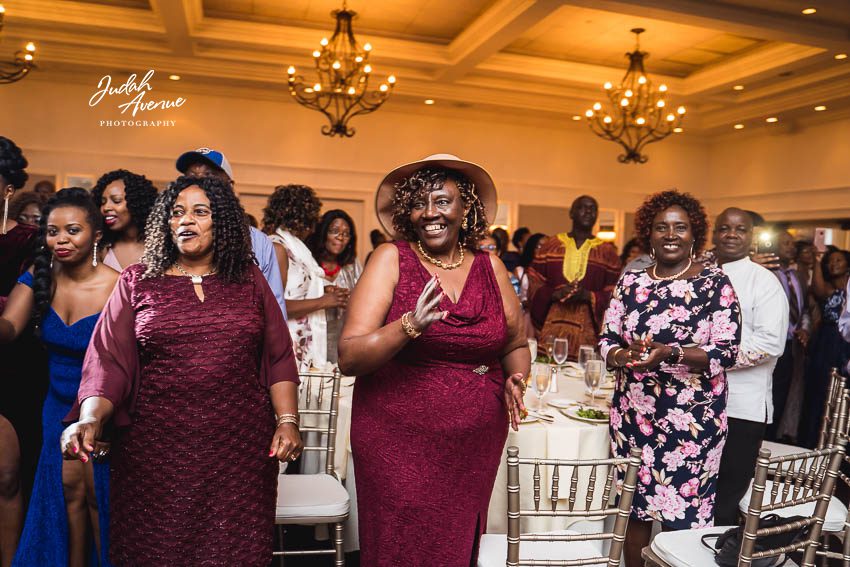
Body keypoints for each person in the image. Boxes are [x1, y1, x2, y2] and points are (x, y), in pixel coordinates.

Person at [60, 175, 302, 566]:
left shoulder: (249, 280)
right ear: (164, 223)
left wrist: (287, 421)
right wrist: (89, 418)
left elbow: (278, 356)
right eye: (176, 212)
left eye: (200, 211)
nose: (186, 220)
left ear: (221, 221)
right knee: (157, 551)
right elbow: (107, 361)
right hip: (153, 454)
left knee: (233, 553)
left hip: (239, 451)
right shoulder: (137, 282)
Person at [339, 153, 528, 566]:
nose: (430, 213)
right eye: (418, 203)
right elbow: (349, 356)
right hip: (396, 440)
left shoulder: (491, 267)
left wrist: (517, 377)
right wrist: (409, 325)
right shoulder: (391, 258)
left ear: (466, 208)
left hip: (473, 446)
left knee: (455, 545)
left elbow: (515, 344)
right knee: (401, 544)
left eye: (442, 201)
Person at [599, 190, 741, 567]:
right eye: (661, 227)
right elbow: (607, 339)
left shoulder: (715, 283)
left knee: (684, 521)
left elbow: (726, 350)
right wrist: (622, 356)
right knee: (633, 513)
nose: (671, 234)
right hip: (632, 418)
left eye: (680, 227)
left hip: (692, 423)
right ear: (649, 233)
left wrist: (671, 353)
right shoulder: (631, 282)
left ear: (695, 234)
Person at [1, 188, 117, 567]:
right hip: (55, 405)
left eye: (72, 230)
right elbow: (9, 329)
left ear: (96, 234)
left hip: (105, 406)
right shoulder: (40, 275)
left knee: (99, 499)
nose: (61, 240)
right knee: (66, 497)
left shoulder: (119, 285)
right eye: (53, 232)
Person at [711, 208, 788, 526]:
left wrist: (709, 359)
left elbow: (770, 344)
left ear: (751, 236)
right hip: (695, 406)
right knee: (692, 494)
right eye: (724, 228)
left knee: (724, 502)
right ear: (714, 234)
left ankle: (718, 550)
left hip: (741, 409)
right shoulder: (700, 276)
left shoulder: (764, 281)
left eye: (740, 229)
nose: (731, 234)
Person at [175, 147, 287, 318]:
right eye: (191, 177)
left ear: (230, 186)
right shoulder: (171, 236)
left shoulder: (258, 242)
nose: (199, 184)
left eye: (209, 176)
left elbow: (273, 310)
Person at [0, 136, 44, 567]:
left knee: (8, 476)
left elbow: (19, 318)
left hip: (14, 369)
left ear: (8, 188)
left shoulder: (30, 241)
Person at [263, 185, 348, 370]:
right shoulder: (277, 248)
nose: (314, 226)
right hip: (284, 347)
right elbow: (273, 307)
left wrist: (321, 290)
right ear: (302, 217)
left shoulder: (294, 248)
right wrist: (324, 301)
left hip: (302, 345)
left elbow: (291, 290)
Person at [528, 195, 621, 359]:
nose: (588, 212)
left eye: (593, 209)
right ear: (571, 213)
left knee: (585, 371)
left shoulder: (608, 253)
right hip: (551, 329)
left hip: (588, 335)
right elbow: (534, 283)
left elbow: (616, 293)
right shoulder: (551, 246)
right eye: (583, 207)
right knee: (549, 367)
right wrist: (553, 294)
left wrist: (590, 296)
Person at [800, 249, 850, 447]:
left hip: (845, 344)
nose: (833, 264)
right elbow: (818, 289)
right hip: (826, 342)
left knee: (842, 389)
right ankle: (814, 439)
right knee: (820, 388)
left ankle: (837, 440)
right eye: (830, 261)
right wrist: (817, 260)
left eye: (839, 260)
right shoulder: (829, 289)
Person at [766, 231, 811, 442]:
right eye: (785, 243)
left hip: (792, 346)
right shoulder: (766, 273)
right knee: (767, 392)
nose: (791, 247)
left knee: (783, 394)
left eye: (792, 244)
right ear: (773, 246)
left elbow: (805, 310)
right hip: (769, 344)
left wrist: (805, 329)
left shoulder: (797, 276)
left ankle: (774, 439)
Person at [306, 209, 362, 364]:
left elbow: (362, 299)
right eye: (334, 231)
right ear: (323, 233)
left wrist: (349, 298)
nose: (340, 237)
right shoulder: (308, 263)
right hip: (312, 339)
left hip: (341, 339)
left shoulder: (351, 266)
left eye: (346, 234)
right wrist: (322, 292)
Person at [91, 169, 158, 271]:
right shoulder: (101, 249)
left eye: (116, 200)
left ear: (136, 203)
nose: (106, 207)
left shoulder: (160, 247)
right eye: (103, 202)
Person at [514, 233, 547, 338]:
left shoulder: (553, 274)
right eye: (538, 246)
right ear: (531, 248)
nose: (543, 249)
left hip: (546, 319)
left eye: (546, 246)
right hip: (526, 318)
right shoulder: (521, 271)